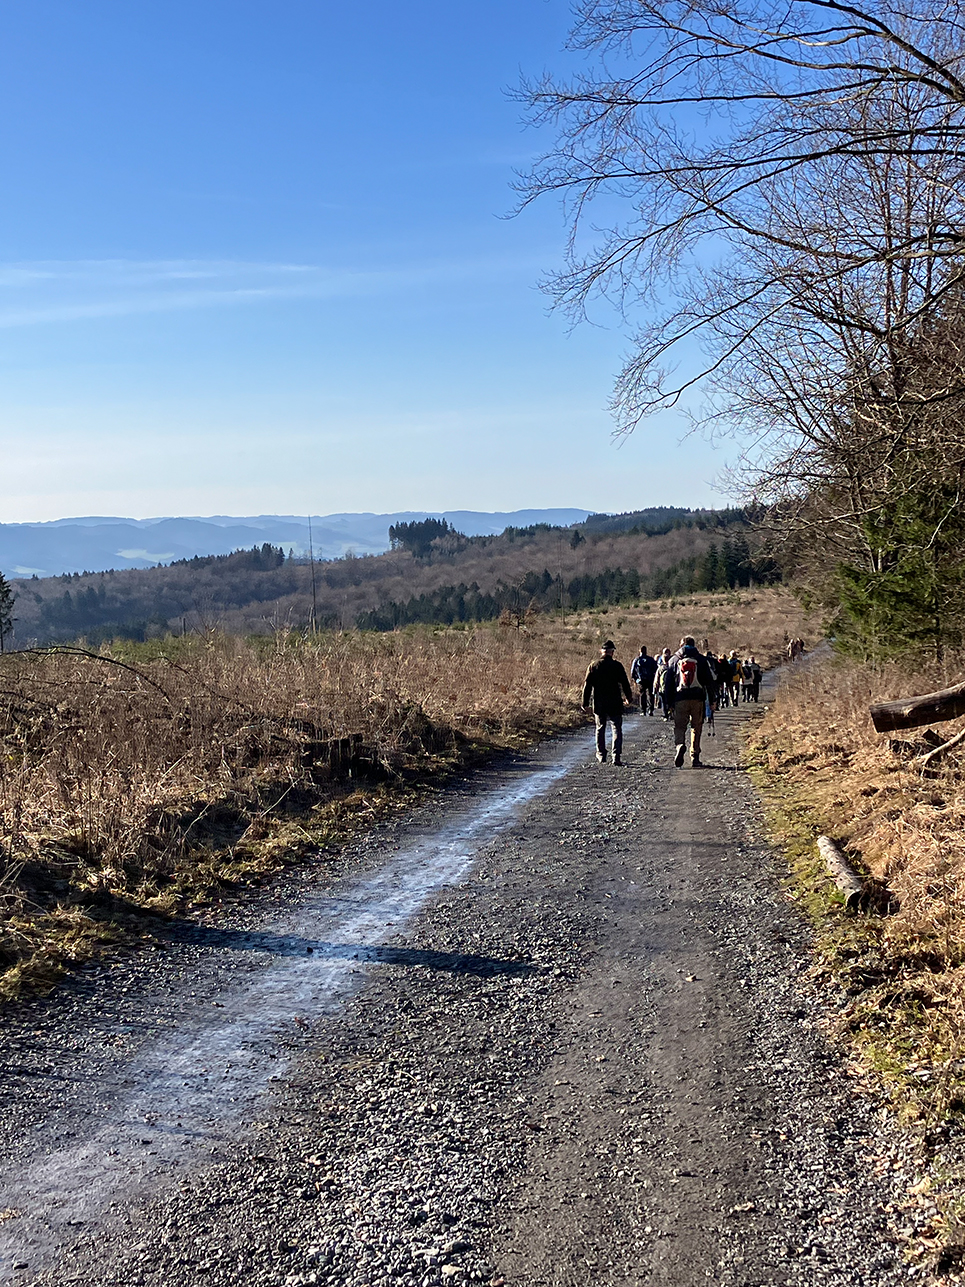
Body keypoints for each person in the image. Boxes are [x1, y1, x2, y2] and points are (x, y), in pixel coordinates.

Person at [581, 639, 633, 764]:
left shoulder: (594, 666)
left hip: (599, 702)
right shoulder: (617, 666)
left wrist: (585, 703)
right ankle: (616, 756)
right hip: (615, 702)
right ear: (612, 652)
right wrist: (628, 698)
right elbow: (625, 683)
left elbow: (587, 686)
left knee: (600, 728)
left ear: (601, 651)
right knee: (616, 728)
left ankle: (601, 755)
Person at [669, 636, 715, 768]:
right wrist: (712, 700)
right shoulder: (701, 660)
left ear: (682, 645)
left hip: (679, 699)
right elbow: (709, 682)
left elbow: (668, 683)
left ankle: (680, 745)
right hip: (697, 699)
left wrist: (668, 703)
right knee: (696, 727)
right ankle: (695, 757)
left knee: (679, 727)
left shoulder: (674, 660)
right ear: (694, 645)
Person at [630, 645, 658, 714]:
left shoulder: (637, 660)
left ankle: (643, 710)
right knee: (650, 694)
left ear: (640, 651)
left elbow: (632, 672)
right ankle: (650, 709)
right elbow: (656, 669)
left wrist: (636, 679)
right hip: (650, 679)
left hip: (641, 680)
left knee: (642, 694)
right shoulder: (650, 659)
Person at [653, 647, 674, 719]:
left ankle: (665, 715)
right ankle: (671, 713)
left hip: (662, 688)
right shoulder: (673, 667)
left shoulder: (660, 668)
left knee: (664, 702)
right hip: (672, 688)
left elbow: (656, 680)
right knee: (671, 701)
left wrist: (655, 689)